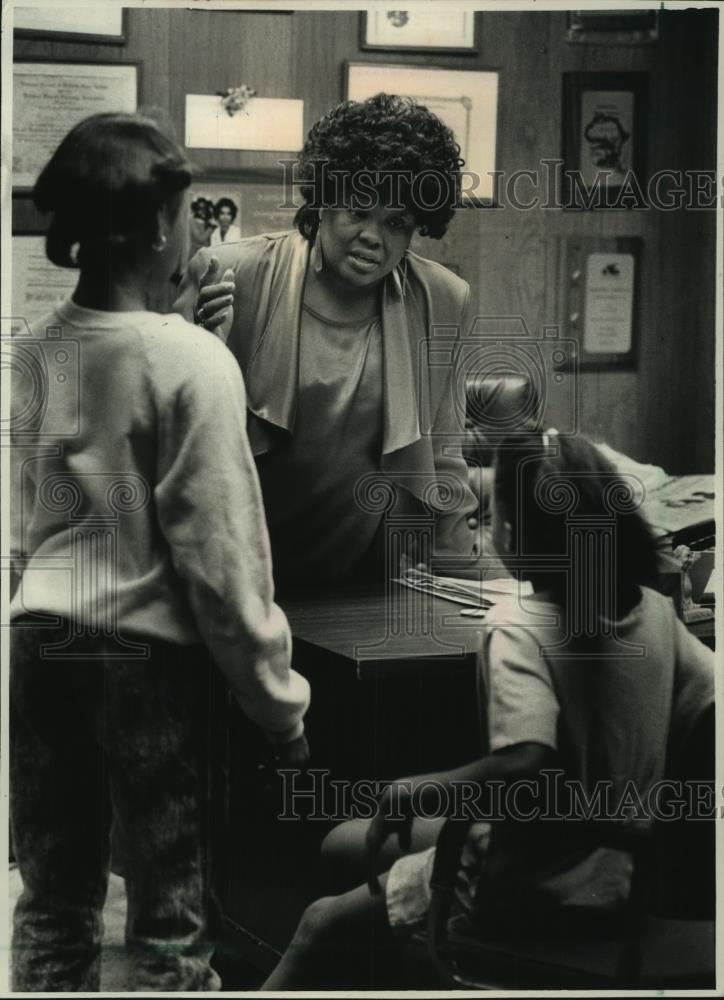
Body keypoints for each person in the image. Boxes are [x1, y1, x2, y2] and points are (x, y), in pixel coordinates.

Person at [9, 111, 310, 992]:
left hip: (38, 646)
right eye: (187, 214)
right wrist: (279, 707)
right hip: (145, 664)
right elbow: (223, 563)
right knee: (170, 915)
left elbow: (28, 525)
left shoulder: (33, 350)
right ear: (154, 227)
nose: (198, 230)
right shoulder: (195, 363)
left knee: (55, 900)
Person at [259, 431, 714, 990]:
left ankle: (402, 955)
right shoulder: (656, 614)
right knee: (344, 846)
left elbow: (527, 761)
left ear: (516, 533)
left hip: (527, 888)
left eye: (491, 513)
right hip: (623, 873)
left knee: (318, 922)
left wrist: (416, 787)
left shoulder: (518, 629)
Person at [174, 93, 495, 586]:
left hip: (363, 581)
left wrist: (485, 589)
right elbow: (167, 442)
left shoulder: (441, 298)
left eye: (397, 222)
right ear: (324, 199)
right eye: (358, 211)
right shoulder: (233, 274)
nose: (373, 236)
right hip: (231, 576)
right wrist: (196, 354)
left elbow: (444, 459)